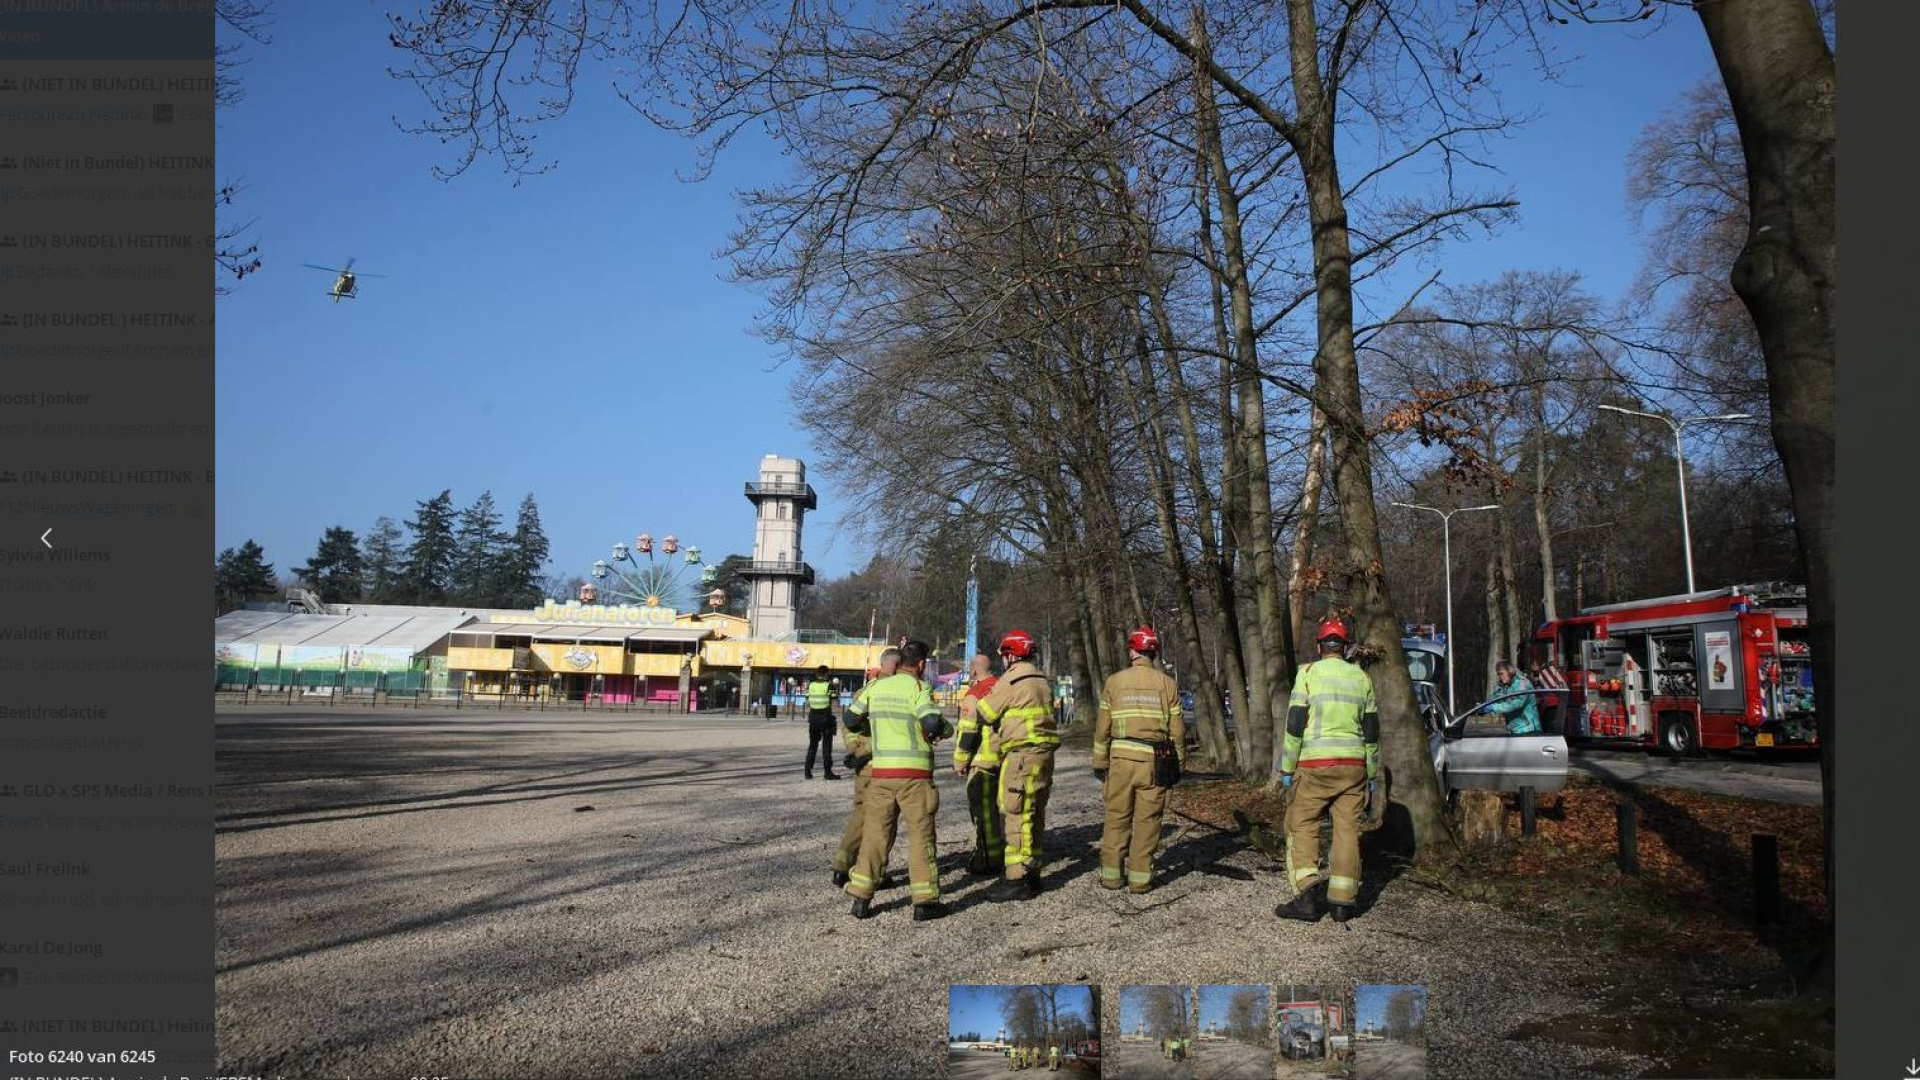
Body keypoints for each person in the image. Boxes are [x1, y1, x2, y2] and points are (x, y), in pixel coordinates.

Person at [1273, 618, 1380, 924]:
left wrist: (1287, 768)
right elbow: (1372, 731)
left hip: (1315, 765)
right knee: (1347, 831)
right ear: (1344, 648)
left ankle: (1307, 895)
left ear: (1319, 646)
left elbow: (1295, 725)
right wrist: (1371, 772)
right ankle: (1342, 903)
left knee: (1302, 823)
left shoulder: (1308, 673)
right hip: (1354, 766)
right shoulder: (1361, 678)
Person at [842, 639, 953, 921]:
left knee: (875, 835)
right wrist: (940, 728)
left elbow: (850, 719)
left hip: (881, 775)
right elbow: (931, 722)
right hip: (915, 777)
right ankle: (925, 902)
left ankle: (861, 897)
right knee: (921, 836)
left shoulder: (876, 687)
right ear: (922, 664)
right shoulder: (918, 688)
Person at [1093, 626, 1184, 893]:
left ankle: (1111, 876)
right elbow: (1178, 731)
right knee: (1148, 820)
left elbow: (1102, 729)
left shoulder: (1114, 682)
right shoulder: (1167, 684)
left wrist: (1100, 762)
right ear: (1153, 653)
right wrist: (1179, 764)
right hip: (1154, 763)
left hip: (1120, 760)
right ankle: (1140, 880)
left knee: (1116, 817)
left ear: (1132, 652)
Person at [974, 629, 1060, 901]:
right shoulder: (1041, 680)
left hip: (1022, 755)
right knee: (1035, 813)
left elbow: (984, 712)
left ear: (1011, 655)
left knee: (1015, 813)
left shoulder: (1012, 679)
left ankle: (1016, 878)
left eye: (1004, 656)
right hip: (1044, 755)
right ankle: (1032, 873)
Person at [831, 648, 900, 890]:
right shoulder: (895, 691)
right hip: (883, 765)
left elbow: (848, 726)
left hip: (865, 765)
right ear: (895, 666)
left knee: (861, 815)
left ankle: (842, 866)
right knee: (883, 821)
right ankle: (873, 872)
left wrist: (855, 749)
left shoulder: (865, 690)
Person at [952, 651, 1003, 876]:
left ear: (973, 671)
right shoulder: (1004, 688)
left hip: (983, 761)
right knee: (1004, 810)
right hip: (1007, 759)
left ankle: (988, 859)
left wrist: (960, 761)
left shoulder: (974, 695)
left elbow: (968, 732)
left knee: (984, 812)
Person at [1481, 659, 1541, 735]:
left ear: (1509, 671)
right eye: (1498, 674)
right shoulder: (1503, 686)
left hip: (1528, 729)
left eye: (1501, 673)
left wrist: (1493, 707)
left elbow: (1516, 704)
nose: (1500, 677)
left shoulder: (1522, 683)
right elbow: (1494, 698)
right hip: (1514, 729)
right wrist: (1482, 707)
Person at [803, 664, 840, 779]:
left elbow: (807, 702)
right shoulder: (829, 685)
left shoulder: (810, 685)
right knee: (827, 746)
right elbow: (836, 703)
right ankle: (827, 773)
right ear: (826, 674)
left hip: (813, 718)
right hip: (826, 718)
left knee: (813, 745)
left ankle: (807, 771)